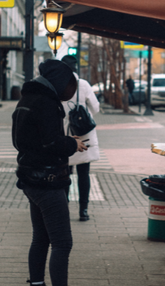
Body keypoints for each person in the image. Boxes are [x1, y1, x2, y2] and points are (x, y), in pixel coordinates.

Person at [12, 59, 87, 286]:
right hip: (48, 181)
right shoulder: (47, 103)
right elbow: (51, 143)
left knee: (41, 238)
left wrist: (64, 141)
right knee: (62, 243)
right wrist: (72, 144)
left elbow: (28, 140)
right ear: (58, 83)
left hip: (30, 178)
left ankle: (36, 283)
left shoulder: (27, 98)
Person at [61, 55, 100, 222]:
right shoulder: (83, 85)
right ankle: (83, 210)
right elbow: (96, 108)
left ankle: (64, 208)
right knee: (84, 174)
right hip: (84, 135)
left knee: (64, 174)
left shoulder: (58, 85)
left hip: (65, 134)